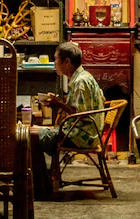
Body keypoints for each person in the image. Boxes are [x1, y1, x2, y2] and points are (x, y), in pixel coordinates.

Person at [30, 40, 105, 195]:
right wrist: (60, 103)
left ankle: (41, 187)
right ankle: (45, 182)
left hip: (81, 135)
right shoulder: (84, 76)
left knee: (29, 136)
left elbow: (79, 113)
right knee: (32, 132)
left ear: (67, 61)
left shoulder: (80, 81)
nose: (55, 63)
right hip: (83, 131)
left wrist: (58, 104)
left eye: (57, 59)